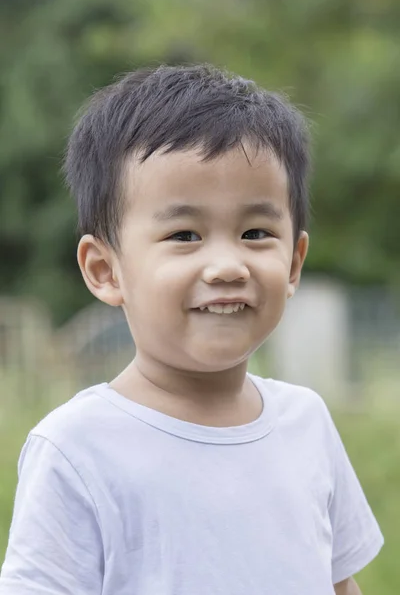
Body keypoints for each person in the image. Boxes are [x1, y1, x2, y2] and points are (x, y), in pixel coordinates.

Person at [0, 64, 383, 595]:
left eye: (255, 232)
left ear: (294, 263)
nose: (227, 265)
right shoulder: (76, 449)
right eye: (184, 234)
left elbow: (339, 583)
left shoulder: (306, 424)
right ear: (105, 270)